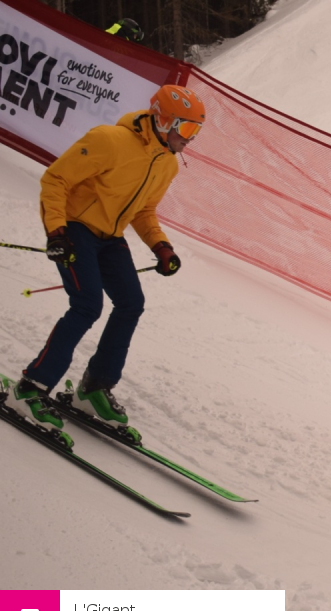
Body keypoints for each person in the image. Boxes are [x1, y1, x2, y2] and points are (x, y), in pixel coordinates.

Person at [2, 85, 204, 435]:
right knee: (87, 305)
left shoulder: (167, 164)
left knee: (131, 303)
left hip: (110, 237)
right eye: (185, 128)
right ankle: (30, 387)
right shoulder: (109, 140)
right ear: (163, 120)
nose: (189, 139)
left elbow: (144, 210)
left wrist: (161, 247)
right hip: (76, 228)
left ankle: (94, 388)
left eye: (195, 131)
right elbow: (56, 179)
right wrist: (57, 232)